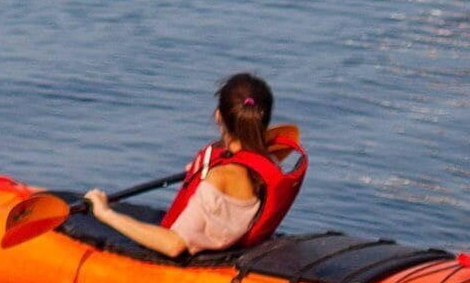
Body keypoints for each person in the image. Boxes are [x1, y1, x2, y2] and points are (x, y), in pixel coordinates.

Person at [84, 72, 308, 258]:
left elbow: (174, 245)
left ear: (219, 116)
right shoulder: (269, 164)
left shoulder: (219, 178)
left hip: (193, 259)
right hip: (235, 245)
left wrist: (106, 214)